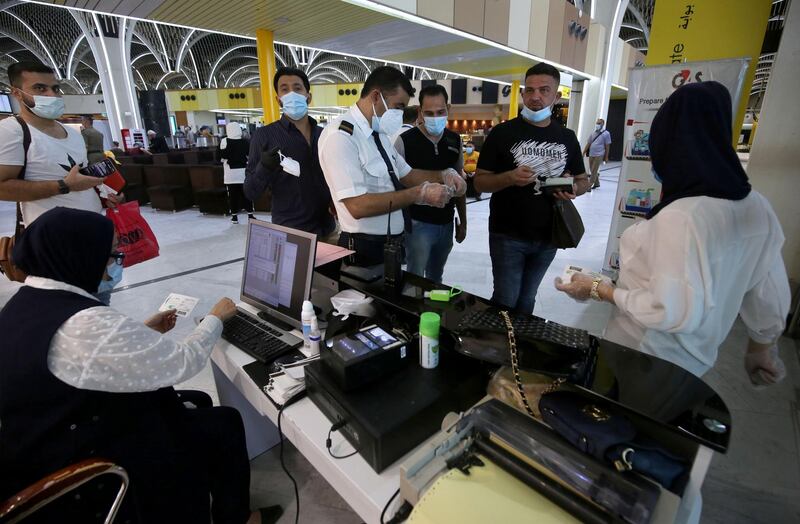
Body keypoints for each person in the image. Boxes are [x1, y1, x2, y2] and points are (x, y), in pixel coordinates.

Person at [0, 207, 282, 524]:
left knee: (195, 403)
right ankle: (236, 518)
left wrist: (144, 332)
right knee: (223, 423)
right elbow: (183, 362)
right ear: (79, 257)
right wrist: (215, 318)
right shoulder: (85, 323)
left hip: (48, 440)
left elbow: (84, 358)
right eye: (111, 256)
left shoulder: (28, 301)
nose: (118, 263)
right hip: (85, 465)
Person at [556, 81, 791, 383]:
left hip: (644, 359)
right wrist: (760, 350)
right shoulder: (756, 205)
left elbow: (667, 310)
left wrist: (599, 290)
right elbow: (769, 293)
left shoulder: (683, 216)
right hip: (696, 363)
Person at [318, 66, 466, 266]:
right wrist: (419, 194)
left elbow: (408, 174)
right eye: (398, 106)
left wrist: (444, 175)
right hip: (364, 249)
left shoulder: (378, 135)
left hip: (390, 245)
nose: (400, 113)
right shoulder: (341, 136)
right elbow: (357, 206)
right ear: (376, 96)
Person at [474, 63, 589, 313]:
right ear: (524, 93)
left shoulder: (567, 137)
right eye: (530, 90)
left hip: (550, 235)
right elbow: (480, 182)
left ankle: (521, 348)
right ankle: (500, 347)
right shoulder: (502, 133)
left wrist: (574, 189)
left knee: (527, 299)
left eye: (544, 90)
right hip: (508, 235)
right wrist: (509, 178)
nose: (536, 96)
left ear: (557, 96)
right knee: (505, 298)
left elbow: (583, 180)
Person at [0, 62, 115, 227]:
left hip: (92, 227)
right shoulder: (11, 131)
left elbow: (79, 178)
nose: (51, 95)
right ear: (17, 93)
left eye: (55, 89)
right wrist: (63, 186)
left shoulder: (74, 134)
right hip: (52, 238)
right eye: (40, 89)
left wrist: (105, 196)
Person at [245, 67, 336, 239]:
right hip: (290, 231)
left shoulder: (324, 134)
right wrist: (264, 167)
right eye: (284, 89)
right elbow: (251, 191)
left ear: (308, 96)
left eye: (297, 88)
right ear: (278, 100)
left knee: (332, 267)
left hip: (328, 228)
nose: (292, 94)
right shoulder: (264, 135)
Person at [394, 84, 466, 282]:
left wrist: (463, 222)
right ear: (420, 112)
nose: (435, 117)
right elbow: (397, 184)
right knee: (415, 277)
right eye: (429, 113)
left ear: (448, 109)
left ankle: (433, 311)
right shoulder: (405, 141)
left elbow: (459, 181)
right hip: (418, 224)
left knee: (436, 276)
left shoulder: (454, 140)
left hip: (446, 222)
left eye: (440, 112)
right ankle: (413, 311)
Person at [219, 122, 255, 224]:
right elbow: (249, 155)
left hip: (230, 175)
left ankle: (234, 217)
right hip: (243, 173)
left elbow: (220, 157)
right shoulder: (245, 142)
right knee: (247, 195)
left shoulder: (224, 141)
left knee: (233, 196)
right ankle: (250, 215)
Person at [583, 118, 611, 189]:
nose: (597, 125)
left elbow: (607, 146)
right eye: (597, 123)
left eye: (599, 123)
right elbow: (588, 143)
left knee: (594, 170)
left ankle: (589, 186)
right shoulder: (593, 133)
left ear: (603, 124)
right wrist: (583, 152)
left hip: (599, 154)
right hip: (591, 154)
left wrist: (606, 157)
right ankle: (597, 183)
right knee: (592, 170)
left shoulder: (606, 133)